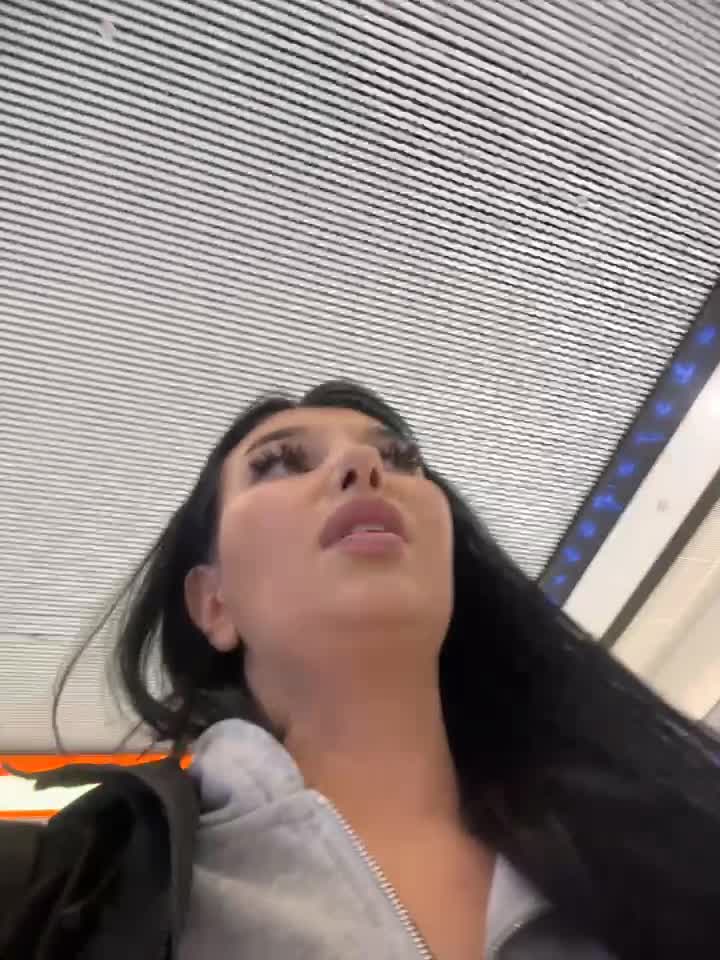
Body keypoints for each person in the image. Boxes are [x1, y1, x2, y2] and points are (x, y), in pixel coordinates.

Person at [10, 379, 720, 959]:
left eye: (401, 457)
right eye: (279, 462)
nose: (362, 467)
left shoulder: (673, 842)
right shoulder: (69, 888)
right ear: (213, 604)